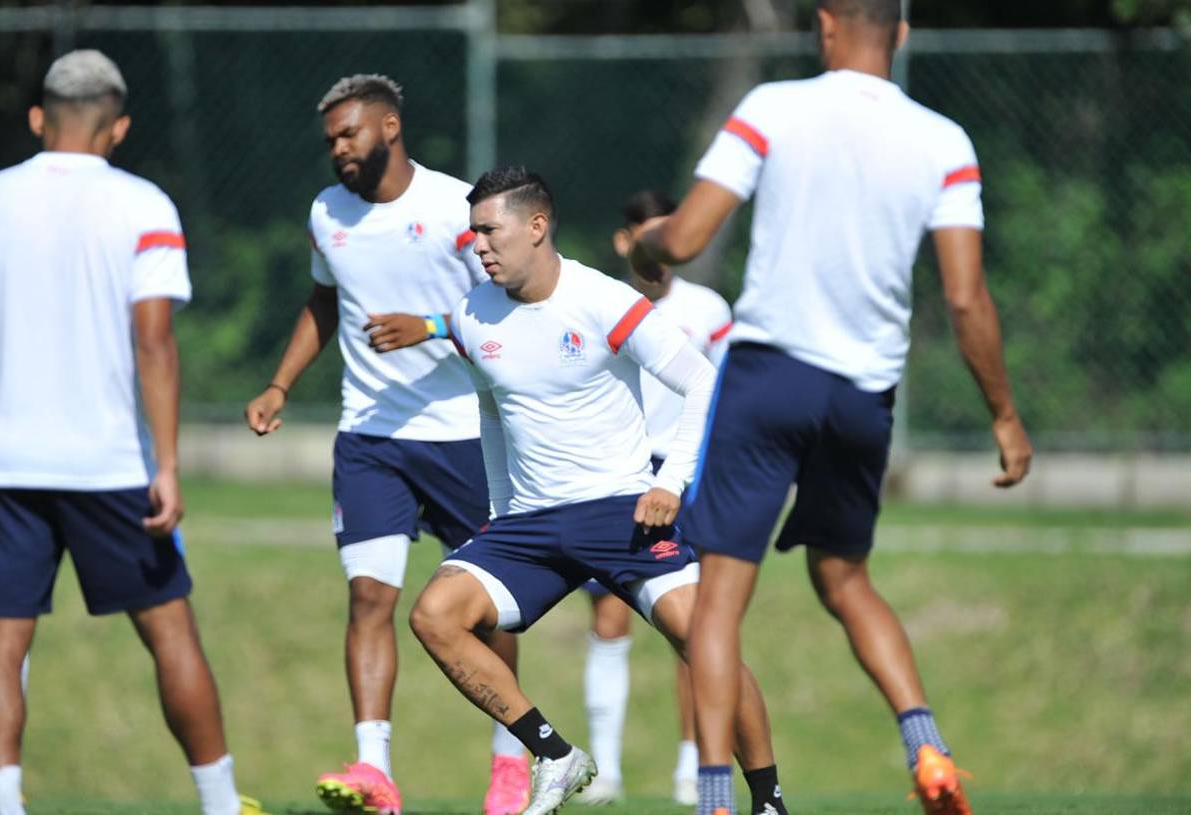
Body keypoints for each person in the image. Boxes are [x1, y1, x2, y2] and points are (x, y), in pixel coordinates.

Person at [630, 2, 1035, 814]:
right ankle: (928, 748)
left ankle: (714, 795)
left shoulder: (773, 109)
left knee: (719, 594)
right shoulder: (944, 142)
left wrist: (648, 243)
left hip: (769, 378)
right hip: (862, 396)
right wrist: (1003, 414)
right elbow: (965, 299)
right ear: (903, 33)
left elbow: (686, 237)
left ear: (824, 26)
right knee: (846, 578)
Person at [409, 167, 790, 815]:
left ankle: (769, 800)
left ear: (537, 226)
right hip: (528, 525)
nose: (478, 246)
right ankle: (555, 754)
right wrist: (498, 514)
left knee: (707, 643)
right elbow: (492, 414)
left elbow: (704, 382)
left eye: (489, 230)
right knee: (434, 616)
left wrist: (671, 483)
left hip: (623, 513)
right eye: (472, 233)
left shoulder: (604, 299)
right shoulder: (472, 316)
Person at [0, 50, 267, 815]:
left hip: (0, 461)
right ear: (120, 126)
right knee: (171, 633)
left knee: (1, 644)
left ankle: (4, 808)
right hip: (107, 464)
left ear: (39, 118)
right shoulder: (144, 205)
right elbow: (155, 342)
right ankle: (221, 805)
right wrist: (165, 463)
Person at [242, 74, 529, 815]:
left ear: (390, 126)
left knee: (489, 609)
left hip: (464, 435)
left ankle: (510, 762)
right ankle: (376, 771)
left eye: (350, 133)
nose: (339, 149)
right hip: (370, 437)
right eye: (331, 139)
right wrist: (279, 384)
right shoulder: (325, 214)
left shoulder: (452, 208)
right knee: (370, 596)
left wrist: (429, 326)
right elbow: (324, 299)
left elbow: (504, 306)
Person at [576, 190, 732, 807]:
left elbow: (726, 396)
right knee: (609, 619)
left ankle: (694, 768)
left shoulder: (710, 309)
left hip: (690, 477)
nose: (659, 250)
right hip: (621, 477)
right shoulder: (599, 303)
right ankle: (606, 774)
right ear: (625, 241)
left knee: (690, 626)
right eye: (648, 235)